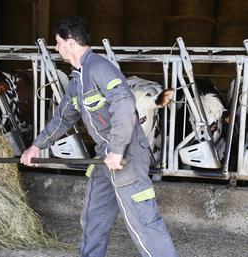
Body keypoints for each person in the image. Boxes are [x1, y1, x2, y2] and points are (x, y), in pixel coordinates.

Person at [20, 16, 179, 257]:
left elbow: (124, 104)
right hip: (105, 157)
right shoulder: (78, 79)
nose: (56, 47)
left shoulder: (100, 68)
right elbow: (63, 117)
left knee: (143, 222)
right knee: (94, 218)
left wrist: (116, 149)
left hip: (127, 155)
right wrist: (36, 146)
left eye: (58, 42)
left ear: (71, 42)